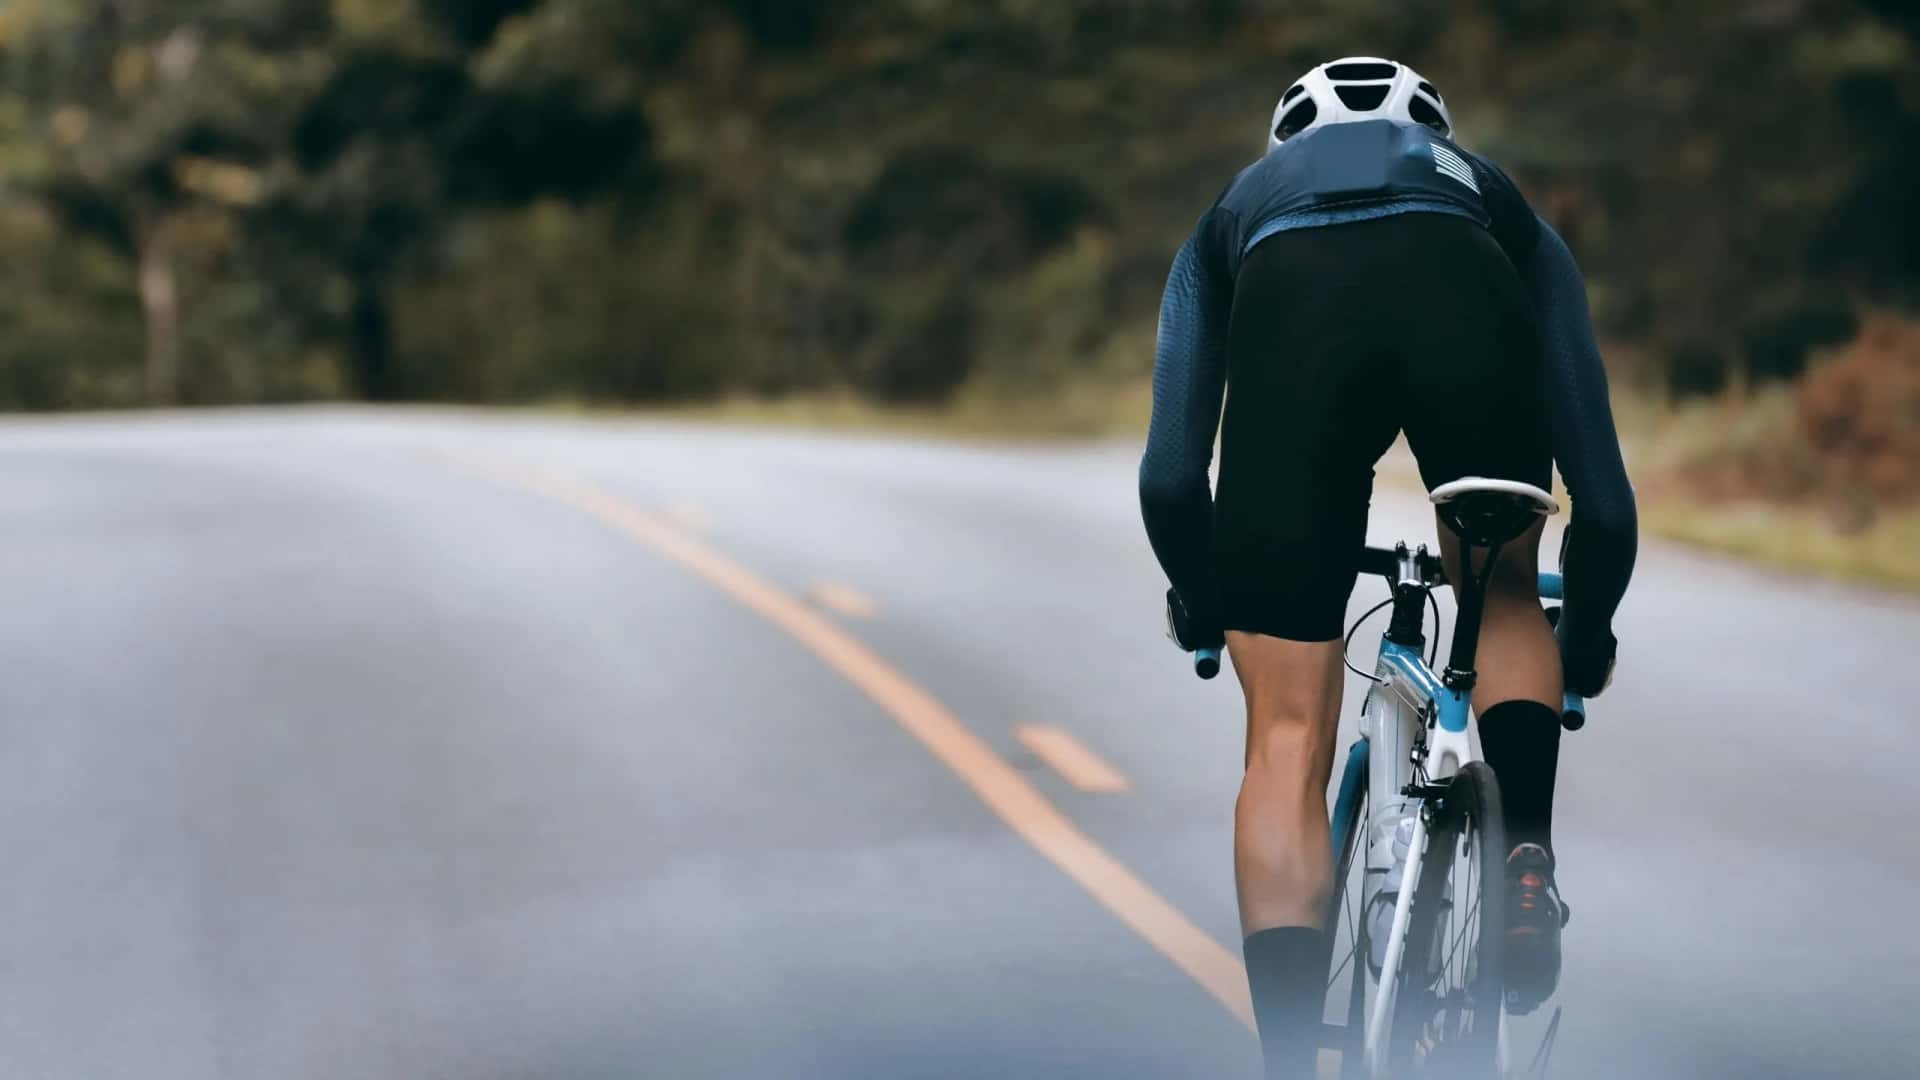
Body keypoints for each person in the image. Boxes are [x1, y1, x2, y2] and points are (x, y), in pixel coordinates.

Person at [1138, 57, 1636, 1076]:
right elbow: (1608, 499)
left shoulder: (1233, 214)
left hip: (1293, 319)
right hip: (1464, 293)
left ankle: (1287, 1058)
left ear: (1288, 144)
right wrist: (1579, 640)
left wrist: (1207, 597)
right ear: (1435, 132)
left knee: (1284, 739)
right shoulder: (1491, 196)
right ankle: (1525, 862)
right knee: (1500, 596)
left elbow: (1171, 482)